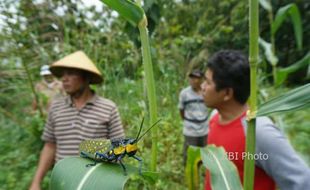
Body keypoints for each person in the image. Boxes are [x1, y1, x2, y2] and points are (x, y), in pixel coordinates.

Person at [201, 50, 310, 190]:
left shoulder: (258, 132)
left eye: (208, 82)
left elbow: (303, 182)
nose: (202, 87)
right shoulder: (214, 117)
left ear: (227, 93)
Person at [29, 51, 125, 190]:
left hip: (94, 182)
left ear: (86, 77)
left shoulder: (108, 108)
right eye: (63, 74)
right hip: (62, 183)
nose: (64, 79)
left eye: (71, 74)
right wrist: (36, 182)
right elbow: (50, 145)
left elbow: (119, 149)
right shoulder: (56, 107)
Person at [178, 69, 209, 165]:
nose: (194, 80)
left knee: (203, 153)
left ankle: (200, 170)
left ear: (202, 80)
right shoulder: (185, 93)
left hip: (204, 129)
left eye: (197, 78)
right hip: (190, 129)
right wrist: (187, 121)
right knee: (189, 154)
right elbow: (181, 110)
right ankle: (188, 172)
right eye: (192, 78)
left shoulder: (206, 92)